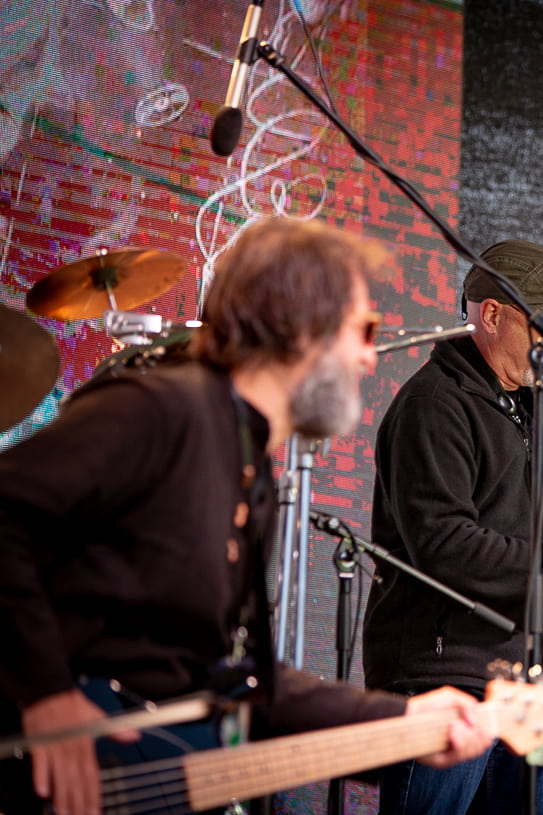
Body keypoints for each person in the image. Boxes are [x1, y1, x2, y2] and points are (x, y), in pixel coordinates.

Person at [0, 217, 491, 815]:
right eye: (364, 329)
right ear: (299, 326)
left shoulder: (248, 468)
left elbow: (244, 685)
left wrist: (408, 720)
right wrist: (47, 694)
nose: (370, 356)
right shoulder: (165, 409)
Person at [363, 239, 543, 815]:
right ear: (492, 315)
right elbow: (446, 548)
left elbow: (529, 529)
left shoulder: (532, 400)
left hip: (522, 680)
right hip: (444, 679)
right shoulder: (433, 405)